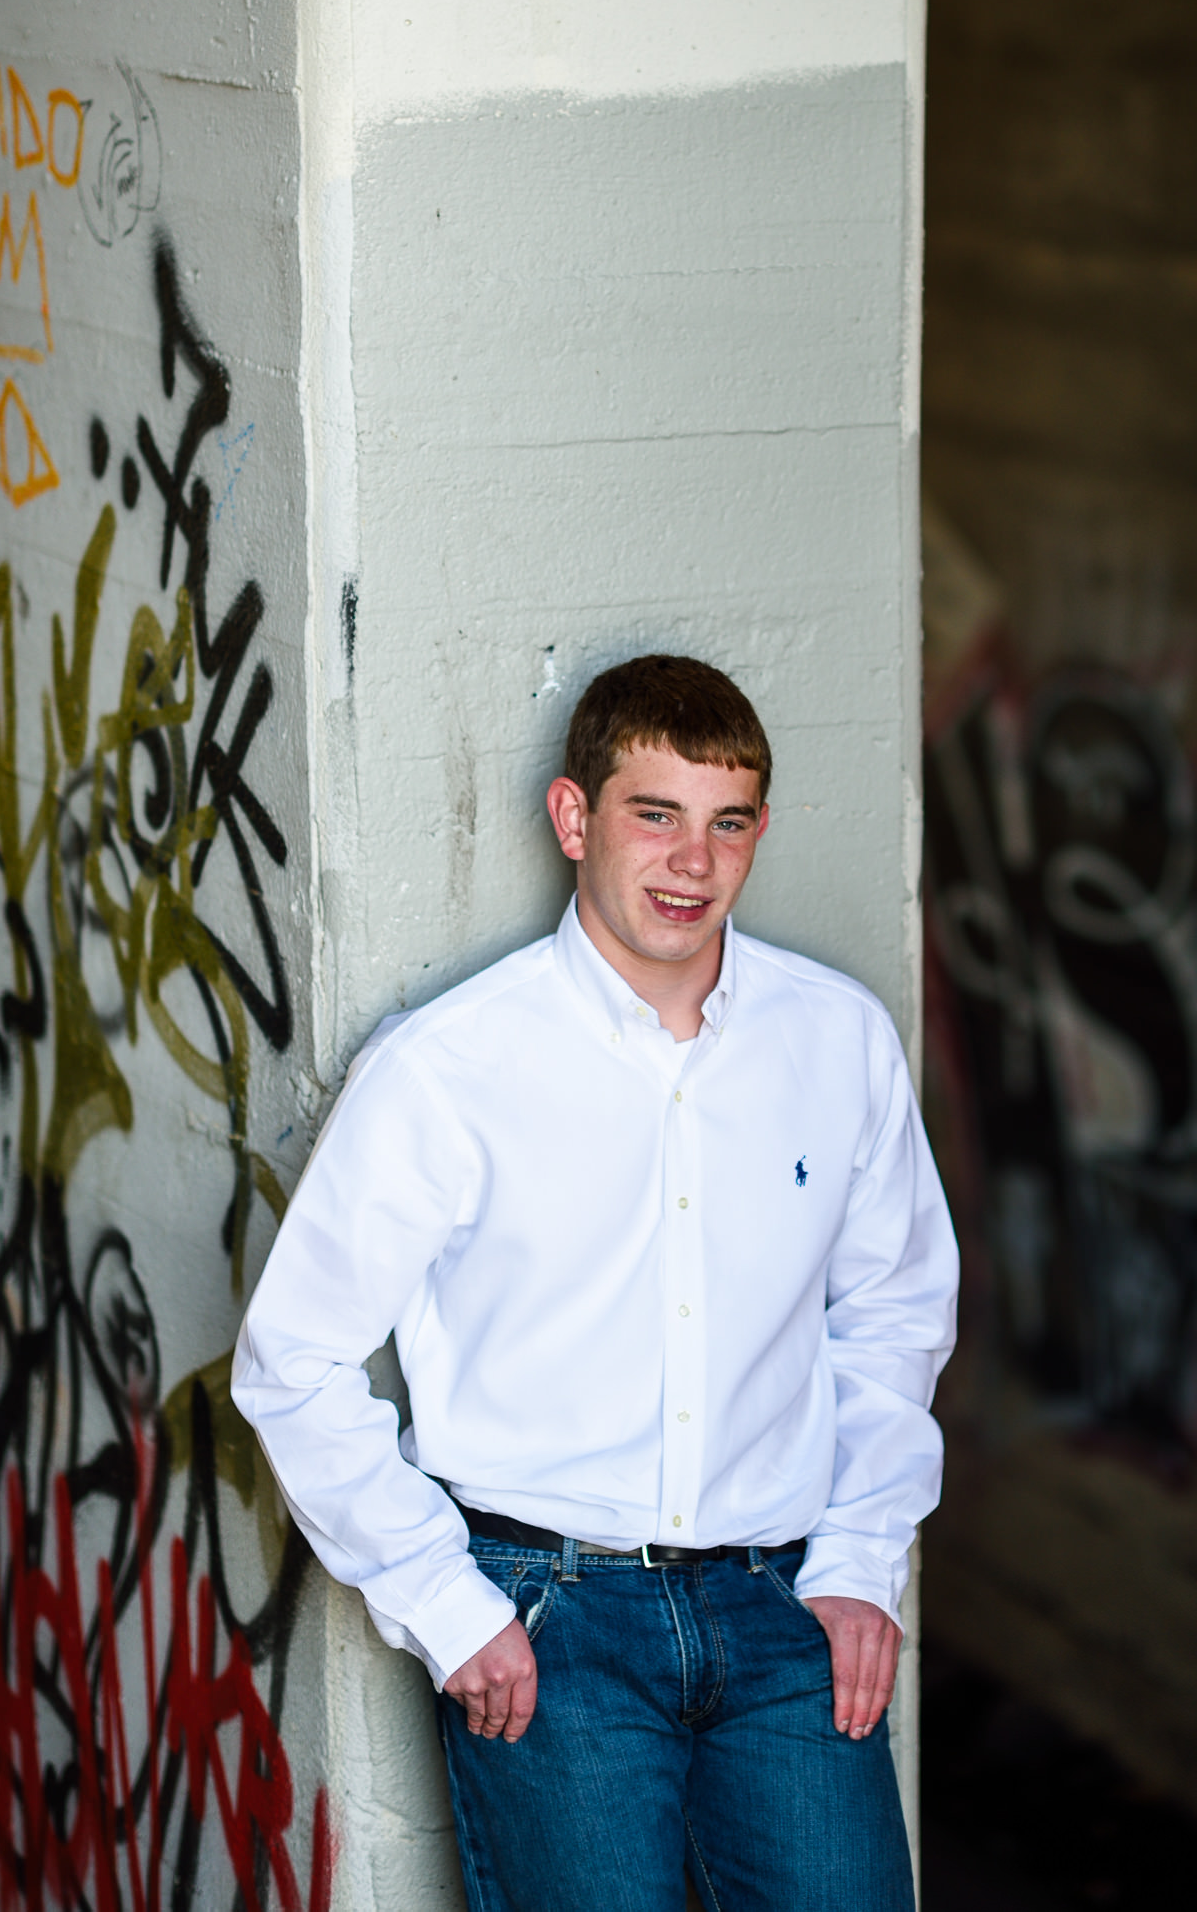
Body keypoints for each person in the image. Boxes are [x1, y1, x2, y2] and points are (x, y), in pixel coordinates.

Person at [233, 654, 959, 1912]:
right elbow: (290, 1360)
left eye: (726, 822)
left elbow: (895, 1316)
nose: (693, 861)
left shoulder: (837, 1042)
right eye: (654, 814)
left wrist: (858, 1560)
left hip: (785, 1607)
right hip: (548, 1622)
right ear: (574, 819)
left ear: (759, 834)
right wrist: (444, 1603)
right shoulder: (450, 1068)